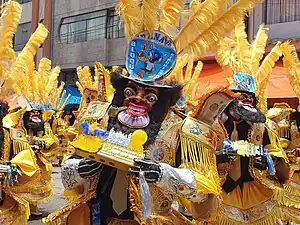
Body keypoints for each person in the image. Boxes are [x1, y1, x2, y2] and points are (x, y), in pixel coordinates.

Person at [213, 21, 290, 225]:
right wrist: (219, 157)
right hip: (223, 188)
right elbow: (199, 159)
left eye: (249, 97)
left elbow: (277, 156)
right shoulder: (214, 125)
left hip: (256, 187)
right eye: (240, 96)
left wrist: (269, 163)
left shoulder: (263, 126)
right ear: (230, 99)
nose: (246, 101)